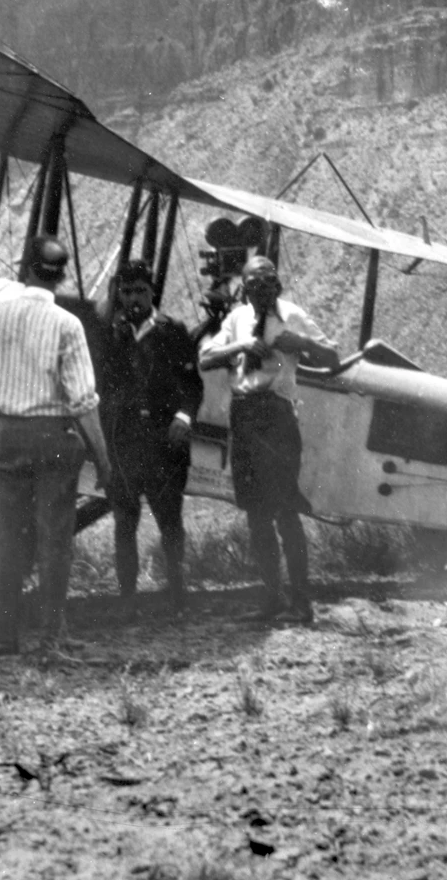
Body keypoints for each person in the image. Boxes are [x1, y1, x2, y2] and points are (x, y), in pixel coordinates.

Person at [0, 235, 111, 657]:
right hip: (54, 436)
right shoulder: (67, 324)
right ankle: (52, 635)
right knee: (55, 540)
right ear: (60, 276)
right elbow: (83, 401)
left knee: (7, 540)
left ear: (26, 269)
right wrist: (104, 463)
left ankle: (5, 637)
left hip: (5, 435)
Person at [199, 256, 339, 624]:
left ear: (277, 284)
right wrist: (240, 346)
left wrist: (301, 342)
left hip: (276, 415)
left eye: (268, 282)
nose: (261, 289)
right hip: (244, 416)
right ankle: (272, 599)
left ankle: (302, 603)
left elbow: (332, 354)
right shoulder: (237, 319)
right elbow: (206, 357)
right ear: (244, 287)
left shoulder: (292, 315)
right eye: (254, 283)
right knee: (256, 514)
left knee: (286, 511)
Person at [99, 260, 204, 617]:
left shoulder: (172, 331)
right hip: (125, 445)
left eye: (140, 291)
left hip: (164, 445)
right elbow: (101, 388)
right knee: (124, 523)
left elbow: (192, 385)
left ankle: (178, 597)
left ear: (151, 292)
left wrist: (184, 415)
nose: (133, 300)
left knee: (170, 522)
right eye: (126, 292)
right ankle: (126, 599)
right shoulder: (111, 335)